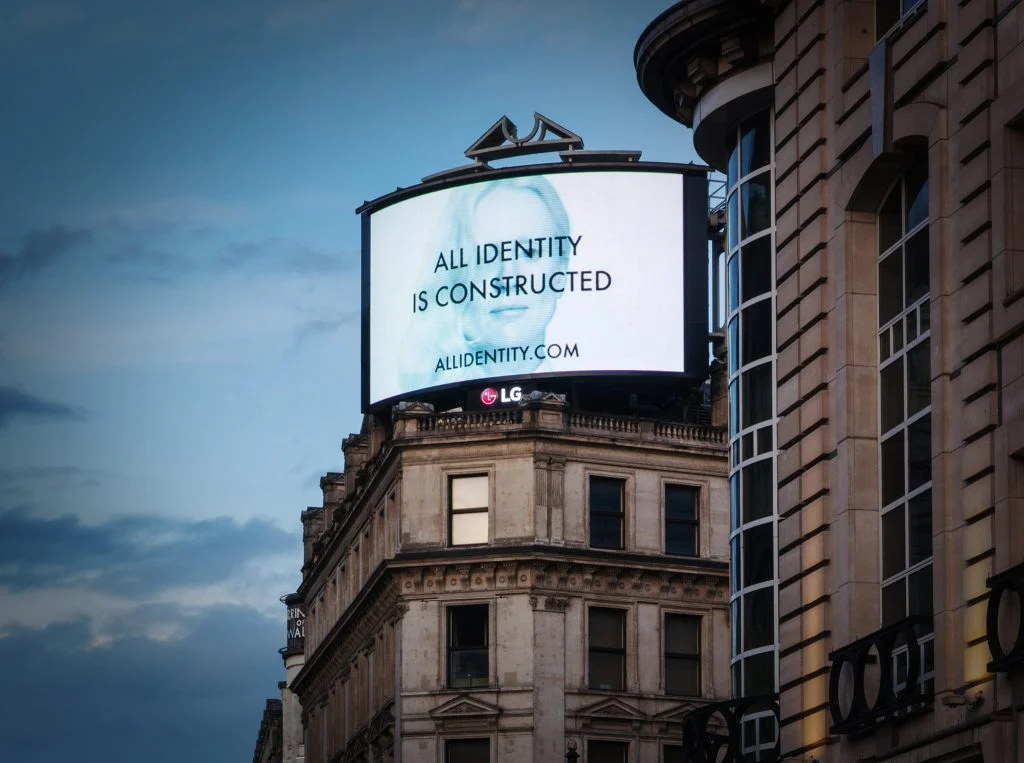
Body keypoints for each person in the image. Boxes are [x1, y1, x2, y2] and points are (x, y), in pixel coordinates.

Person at [399, 175, 572, 393]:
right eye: (486, 257)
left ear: (561, 269)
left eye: (530, 252)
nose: (508, 278)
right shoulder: (418, 386)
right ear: (457, 275)